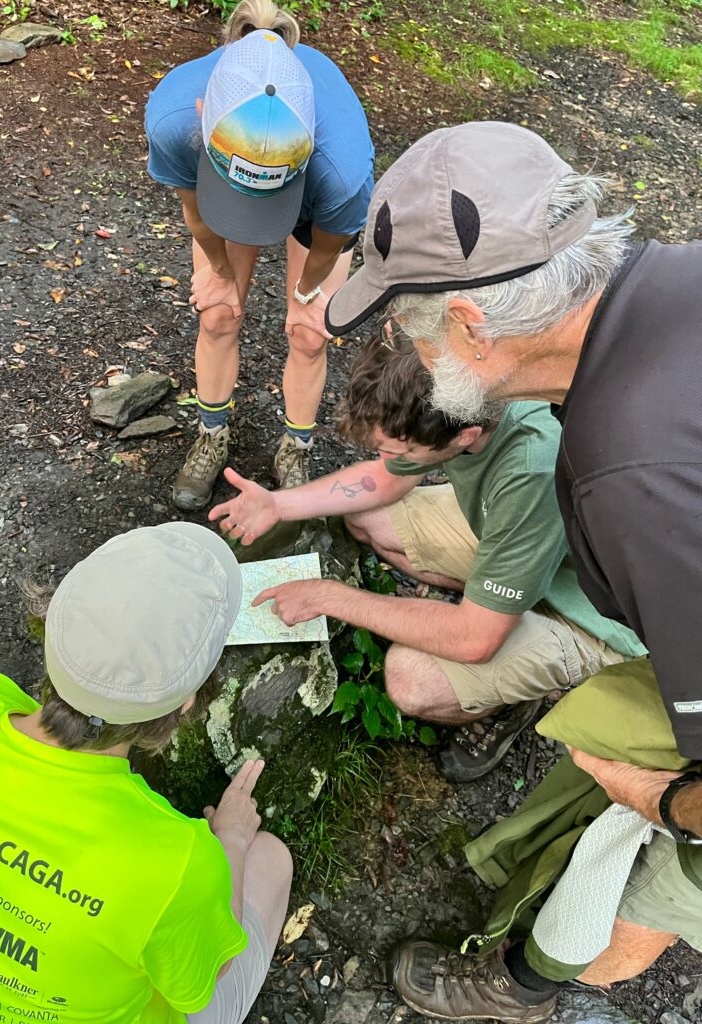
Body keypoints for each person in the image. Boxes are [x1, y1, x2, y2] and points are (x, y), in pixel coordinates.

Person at [323, 122, 702, 1020]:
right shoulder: (672, 285)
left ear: (471, 321)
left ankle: (530, 987)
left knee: (640, 876)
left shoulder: (634, 481)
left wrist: (666, 795)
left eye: (410, 328)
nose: (409, 352)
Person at [209, 337, 643, 782]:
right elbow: (383, 480)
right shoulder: (460, 377)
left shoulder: (531, 465)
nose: (387, 461)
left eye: (400, 453)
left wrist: (328, 597)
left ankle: (509, 695)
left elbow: (474, 639)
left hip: (596, 612)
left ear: (465, 435)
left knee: (410, 679)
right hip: (537, 541)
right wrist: (278, 505)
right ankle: (505, 603)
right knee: (367, 518)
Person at [0, 522, 292, 1024]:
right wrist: (230, 838)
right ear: (186, 704)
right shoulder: (180, 860)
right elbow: (209, 975)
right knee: (270, 858)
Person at [145, 0, 374, 509]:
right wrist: (220, 275)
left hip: (310, 197)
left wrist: (306, 295)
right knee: (218, 315)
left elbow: (326, 246)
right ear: (204, 119)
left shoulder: (341, 171)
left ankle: (296, 448)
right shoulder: (176, 119)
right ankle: (211, 433)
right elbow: (199, 214)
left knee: (310, 334)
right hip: (240, 174)